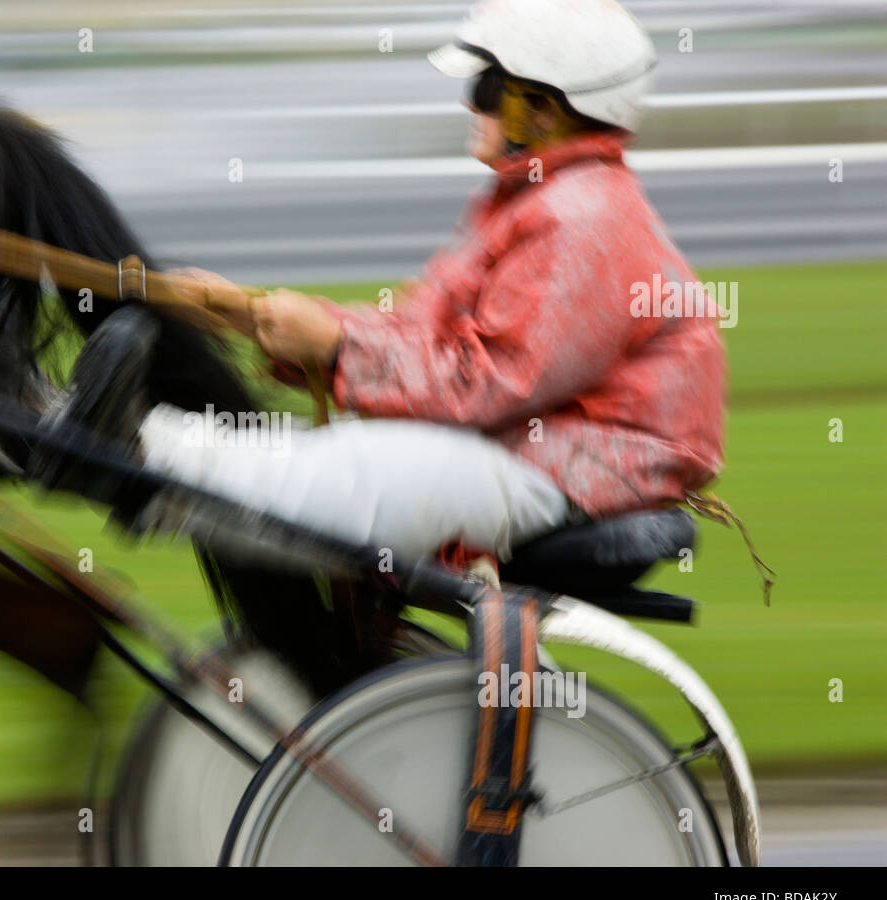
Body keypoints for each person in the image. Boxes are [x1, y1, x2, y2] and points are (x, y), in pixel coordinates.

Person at [37, 0, 726, 569]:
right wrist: (249, 316)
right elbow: (425, 337)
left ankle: (122, 450)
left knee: (344, 470)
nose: (470, 103)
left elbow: (488, 385)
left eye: (487, 88)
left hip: (570, 473)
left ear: (541, 110)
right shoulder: (533, 201)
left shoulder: (584, 218)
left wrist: (337, 347)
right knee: (328, 461)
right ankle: (112, 441)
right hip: (532, 456)